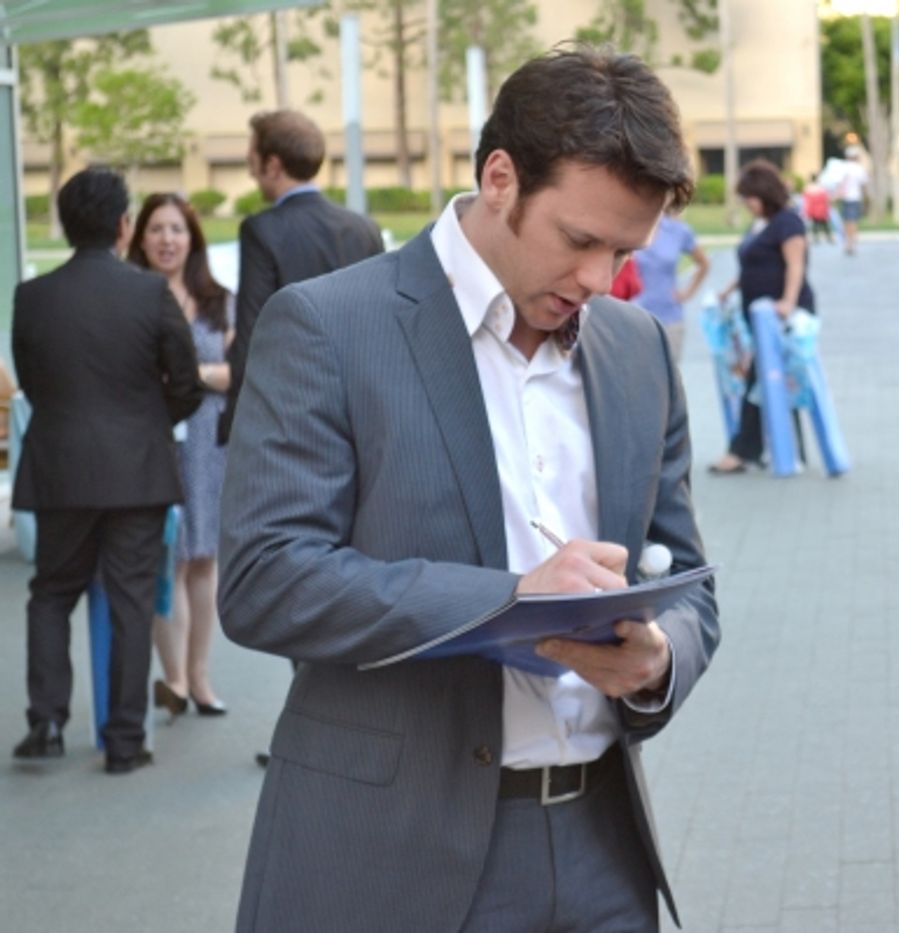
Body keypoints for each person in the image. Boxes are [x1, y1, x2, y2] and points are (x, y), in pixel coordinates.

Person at [218, 48, 719, 932]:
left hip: (607, 848)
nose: (599, 280)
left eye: (624, 251)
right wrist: (510, 600)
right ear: (500, 178)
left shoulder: (636, 346)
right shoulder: (329, 327)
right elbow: (265, 578)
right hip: (393, 856)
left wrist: (658, 662)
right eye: (579, 240)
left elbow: (689, 577)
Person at [10, 168, 203, 773]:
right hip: (137, 471)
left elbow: (33, 382)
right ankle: (123, 742)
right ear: (124, 227)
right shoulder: (151, 295)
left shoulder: (32, 297)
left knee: (50, 594)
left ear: (65, 226)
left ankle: (45, 721)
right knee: (130, 601)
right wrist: (148, 418)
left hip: (60, 467)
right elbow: (189, 386)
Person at [218, 108, 384, 446]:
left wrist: (236, 420)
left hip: (289, 416)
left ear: (273, 164)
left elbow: (253, 329)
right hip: (360, 414)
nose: (250, 170)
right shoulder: (364, 229)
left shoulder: (261, 230)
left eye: (252, 158)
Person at [128, 193, 234, 718]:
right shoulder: (129, 296)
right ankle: (171, 679)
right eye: (156, 229)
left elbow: (239, 372)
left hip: (209, 444)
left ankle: (199, 678)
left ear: (192, 237)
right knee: (163, 558)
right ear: (139, 238)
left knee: (203, 559)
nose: (167, 239)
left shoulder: (220, 300)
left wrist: (190, 374)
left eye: (177, 229)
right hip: (152, 439)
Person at [708, 159, 815, 475]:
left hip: (780, 319)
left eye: (749, 197)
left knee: (761, 377)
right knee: (779, 381)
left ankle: (742, 451)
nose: (746, 203)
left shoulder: (788, 222)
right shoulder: (760, 224)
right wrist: (729, 289)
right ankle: (791, 448)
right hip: (757, 318)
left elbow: (795, 265)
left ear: (763, 193)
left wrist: (787, 302)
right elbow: (752, 265)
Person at [632, 206, 709, 357]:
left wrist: (687, 293)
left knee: (668, 377)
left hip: (668, 317)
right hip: (632, 316)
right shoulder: (630, 225)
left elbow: (704, 264)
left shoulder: (679, 231)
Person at [835, 145, 868, 256]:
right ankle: (852, 242)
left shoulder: (843, 167)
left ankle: (847, 242)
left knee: (846, 220)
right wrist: (865, 198)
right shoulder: (859, 169)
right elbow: (864, 185)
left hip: (845, 197)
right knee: (853, 220)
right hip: (855, 197)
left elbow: (838, 183)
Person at [801, 173, 834, 244]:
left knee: (815, 223)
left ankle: (816, 238)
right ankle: (829, 237)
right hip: (821, 208)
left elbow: (806, 199)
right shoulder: (821, 187)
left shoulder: (808, 188)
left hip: (813, 208)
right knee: (824, 224)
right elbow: (826, 198)